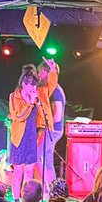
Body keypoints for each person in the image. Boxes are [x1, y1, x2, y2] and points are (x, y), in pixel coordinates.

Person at [7, 65, 50, 202]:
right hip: (19, 138)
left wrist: (37, 103)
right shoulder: (14, 97)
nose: (33, 89)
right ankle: (16, 200)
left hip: (31, 137)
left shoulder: (36, 97)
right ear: (24, 84)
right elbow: (19, 116)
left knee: (29, 172)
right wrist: (30, 104)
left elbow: (41, 113)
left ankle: (27, 199)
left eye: (35, 87)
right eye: (31, 86)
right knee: (18, 172)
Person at [37, 59, 65, 187]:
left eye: (40, 72)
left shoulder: (55, 91)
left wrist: (44, 128)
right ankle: (49, 189)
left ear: (46, 72)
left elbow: (57, 116)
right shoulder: (50, 90)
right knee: (44, 160)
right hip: (51, 130)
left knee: (41, 158)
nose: (38, 75)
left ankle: (48, 189)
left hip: (52, 130)